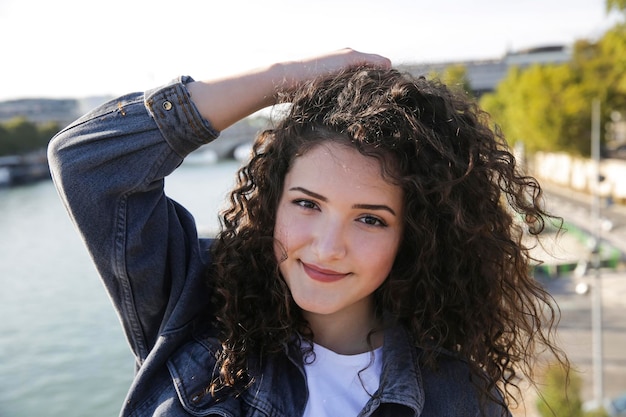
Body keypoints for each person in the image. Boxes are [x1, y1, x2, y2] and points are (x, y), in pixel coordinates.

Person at [48, 48, 566, 416]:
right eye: (307, 204)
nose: (326, 247)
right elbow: (87, 162)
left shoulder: (458, 399)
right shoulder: (196, 302)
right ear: (273, 202)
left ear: (415, 235)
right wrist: (286, 77)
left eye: (370, 219)